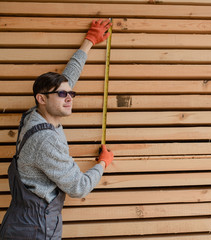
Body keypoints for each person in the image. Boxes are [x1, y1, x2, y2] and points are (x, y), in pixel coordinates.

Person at [0, 19, 114, 239]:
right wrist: (102, 164)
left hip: (21, 221)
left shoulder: (33, 115)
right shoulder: (45, 140)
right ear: (41, 98)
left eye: (71, 94)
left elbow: (67, 79)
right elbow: (79, 187)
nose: (69, 98)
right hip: (35, 229)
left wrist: (89, 41)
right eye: (63, 95)